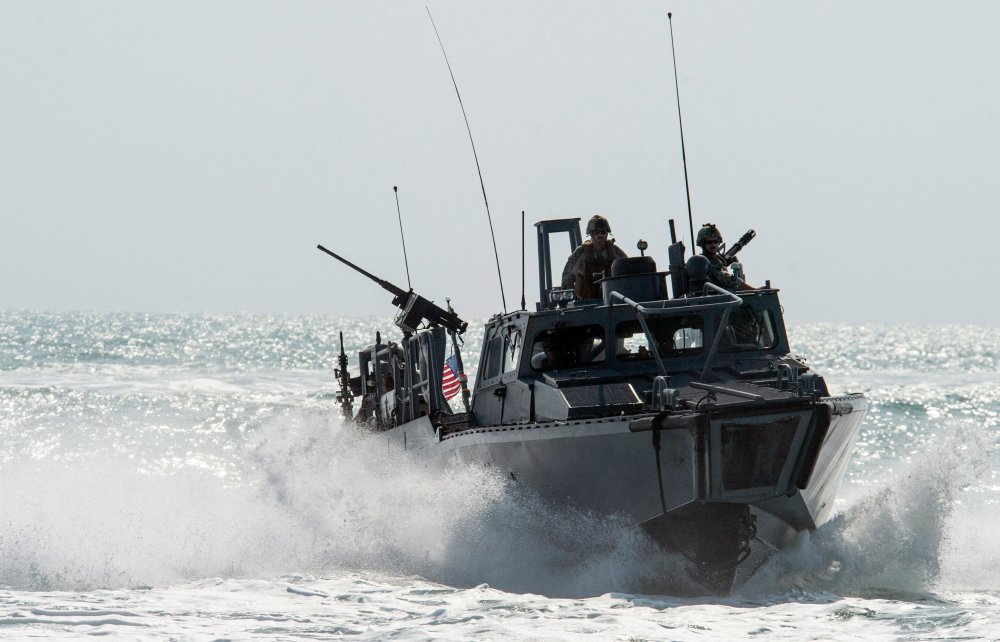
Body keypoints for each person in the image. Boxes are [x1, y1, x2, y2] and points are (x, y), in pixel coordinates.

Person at [561, 215, 628, 299]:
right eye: (597, 233)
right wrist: (568, 296)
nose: (600, 235)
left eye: (603, 232)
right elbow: (568, 274)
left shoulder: (614, 251)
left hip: (611, 298)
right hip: (585, 301)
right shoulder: (582, 252)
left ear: (607, 234)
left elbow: (627, 268)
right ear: (591, 234)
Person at [696, 223, 755, 291]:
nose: (713, 245)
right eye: (709, 242)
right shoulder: (703, 261)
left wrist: (724, 263)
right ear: (702, 244)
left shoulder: (716, 259)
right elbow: (727, 279)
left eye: (716, 241)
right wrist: (753, 290)